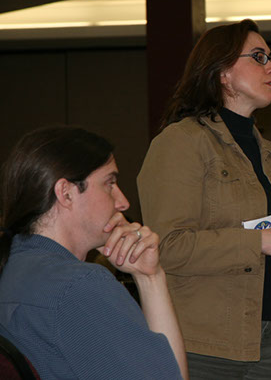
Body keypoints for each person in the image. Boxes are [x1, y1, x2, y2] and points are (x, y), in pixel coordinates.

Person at [137, 19, 271, 379]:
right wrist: (259, 242)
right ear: (222, 72)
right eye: (259, 57)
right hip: (211, 345)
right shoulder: (181, 143)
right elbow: (167, 247)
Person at [0, 126, 187, 380]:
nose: (123, 202)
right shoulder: (80, 286)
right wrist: (152, 279)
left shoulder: (12, 268)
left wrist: (146, 274)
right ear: (66, 193)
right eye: (110, 183)